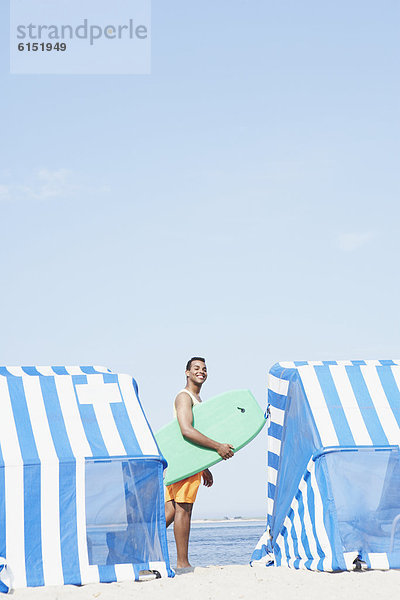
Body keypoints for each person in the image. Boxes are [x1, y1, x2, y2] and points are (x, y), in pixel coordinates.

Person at [164, 357, 234, 569]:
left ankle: (135, 547)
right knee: (183, 509)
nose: (201, 371)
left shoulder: (197, 399)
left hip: (185, 461)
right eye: (196, 368)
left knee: (169, 512)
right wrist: (217, 447)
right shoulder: (184, 397)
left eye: (204, 369)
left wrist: (204, 466)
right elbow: (186, 430)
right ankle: (183, 563)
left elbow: (191, 435)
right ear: (187, 372)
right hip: (183, 462)